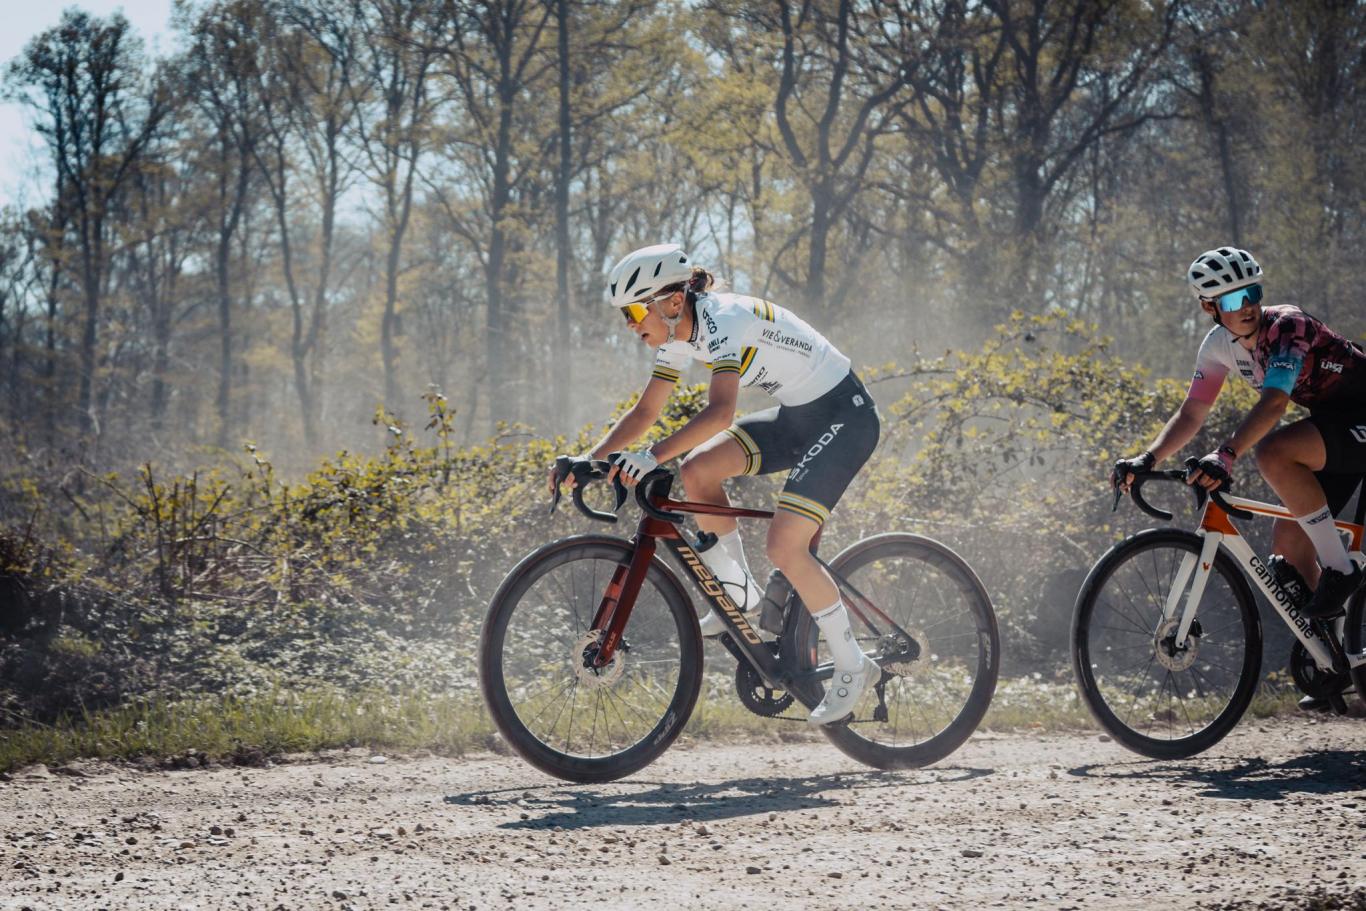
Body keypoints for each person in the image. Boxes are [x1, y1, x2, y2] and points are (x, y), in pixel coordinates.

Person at [552, 243, 882, 725]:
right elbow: (646, 412)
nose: (629, 324)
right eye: (625, 314)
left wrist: (650, 456)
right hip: (798, 417)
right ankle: (739, 590)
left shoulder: (723, 319)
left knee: (784, 545)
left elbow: (721, 413)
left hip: (844, 418)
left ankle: (853, 664)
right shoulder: (675, 336)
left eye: (635, 311)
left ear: (672, 301)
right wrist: (591, 459)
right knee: (697, 470)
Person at [1113, 246, 1366, 626]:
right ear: (1209, 307)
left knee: (1274, 452)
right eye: (1233, 300)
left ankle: (1341, 570)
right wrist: (1148, 458)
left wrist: (1226, 454)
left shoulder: (1288, 327)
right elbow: (1192, 411)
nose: (1247, 306)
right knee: (1289, 543)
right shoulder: (1218, 347)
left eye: (1253, 293)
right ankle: (1334, 654)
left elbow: (1274, 403)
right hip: (1336, 426)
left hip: (1354, 419)